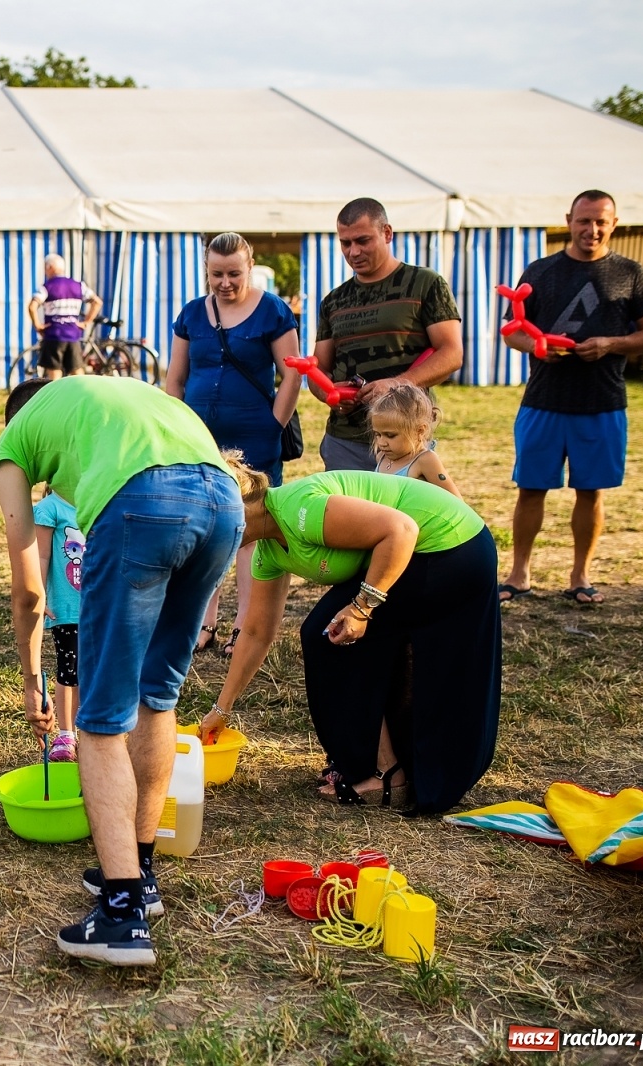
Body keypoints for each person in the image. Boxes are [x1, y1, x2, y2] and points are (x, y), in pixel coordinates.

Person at [0, 376, 242, 966]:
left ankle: (121, 916)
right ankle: (142, 875)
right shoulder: (108, 399)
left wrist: (32, 681)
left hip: (143, 505)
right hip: (222, 500)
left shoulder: (14, 440)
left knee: (100, 719)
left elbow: (29, 585)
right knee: (157, 694)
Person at [200, 468, 499, 815]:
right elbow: (255, 633)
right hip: (426, 548)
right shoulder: (269, 550)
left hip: (450, 546)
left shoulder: (299, 510)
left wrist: (361, 608)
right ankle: (380, 764)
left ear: (235, 509)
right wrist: (220, 710)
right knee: (334, 636)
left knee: (326, 636)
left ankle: (383, 773)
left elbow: (401, 530)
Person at [499, 190, 643, 606]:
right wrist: (538, 348)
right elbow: (513, 330)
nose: (592, 229)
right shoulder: (540, 270)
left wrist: (610, 343)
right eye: (584, 220)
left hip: (602, 402)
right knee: (530, 489)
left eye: (601, 222)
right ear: (569, 219)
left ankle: (580, 575)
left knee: (591, 492)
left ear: (614, 223)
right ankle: (518, 573)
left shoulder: (630, 273)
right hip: (543, 400)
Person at [167, 233, 302, 656]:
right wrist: (175, 427)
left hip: (255, 440)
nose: (225, 282)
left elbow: (292, 373)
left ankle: (243, 624)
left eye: (234, 273)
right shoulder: (192, 313)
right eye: (216, 274)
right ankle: (203, 620)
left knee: (250, 530)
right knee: (203, 528)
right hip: (199, 438)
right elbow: (175, 377)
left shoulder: (273, 311)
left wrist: (272, 426)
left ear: (250, 266)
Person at [313, 198, 464, 472]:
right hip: (346, 441)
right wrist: (332, 395)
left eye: (362, 240)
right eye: (345, 243)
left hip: (406, 438)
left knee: (404, 514)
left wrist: (398, 383)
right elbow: (318, 369)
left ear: (387, 233)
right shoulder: (333, 301)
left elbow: (451, 353)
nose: (353, 251)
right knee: (347, 515)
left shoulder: (425, 284)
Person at [34, 490, 82, 762]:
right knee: (69, 670)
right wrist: (39, 594)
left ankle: (89, 730)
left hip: (99, 608)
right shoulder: (49, 508)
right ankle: (66, 734)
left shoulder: (99, 499)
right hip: (66, 609)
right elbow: (40, 556)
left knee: (94, 671)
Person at [370, 384, 461, 496]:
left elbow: (456, 501)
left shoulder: (425, 460)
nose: (381, 443)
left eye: (390, 435)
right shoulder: (382, 458)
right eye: (377, 435)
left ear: (419, 431)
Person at [28, 254, 102, 380]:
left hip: (54, 335)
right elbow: (97, 302)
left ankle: (57, 399)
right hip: (73, 335)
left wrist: (38, 326)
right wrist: (85, 323)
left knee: (54, 375)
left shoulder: (47, 287)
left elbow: (32, 306)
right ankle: (82, 398)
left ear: (50, 267)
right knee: (78, 374)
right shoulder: (79, 285)